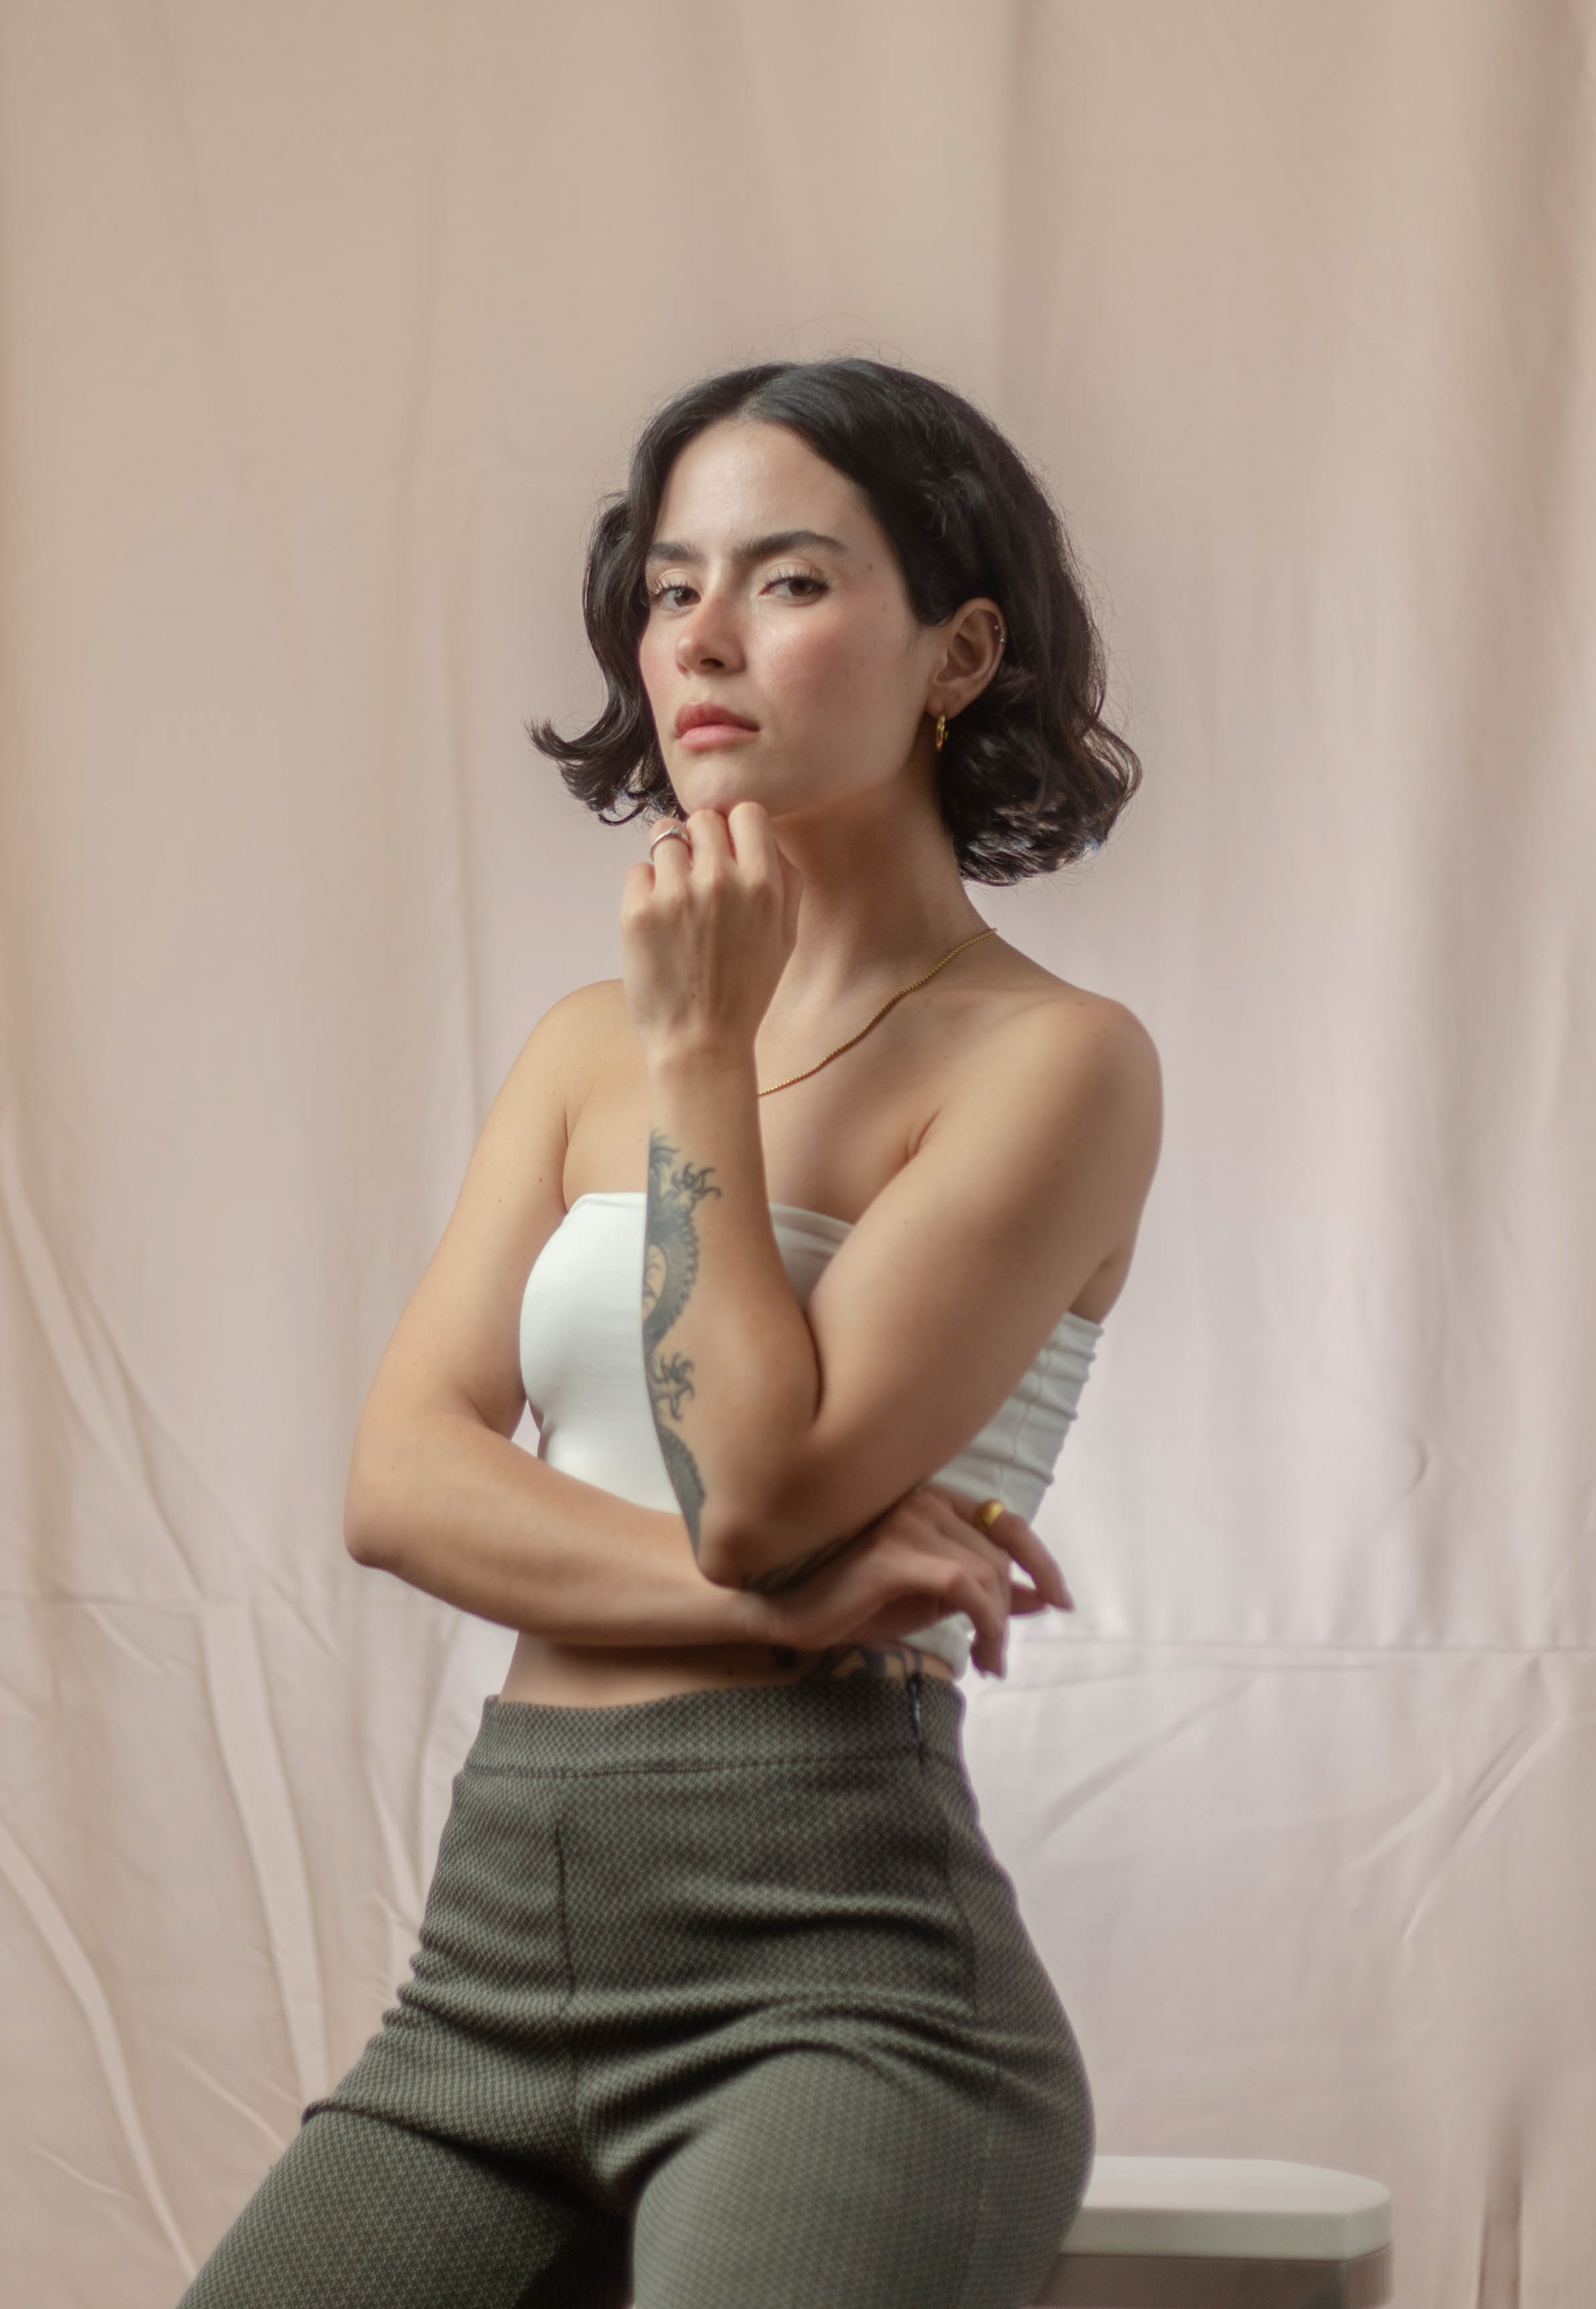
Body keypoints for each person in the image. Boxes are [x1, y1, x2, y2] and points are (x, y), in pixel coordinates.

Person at [178, 357, 1161, 2308]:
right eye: (667, 584)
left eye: (788, 581)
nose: (698, 638)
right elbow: (402, 1483)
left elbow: (758, 1489)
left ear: (960, 652)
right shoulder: (578, 1047)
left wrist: (703, 1052)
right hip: (491, 1961)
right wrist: (787, 1611)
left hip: (840, 1990)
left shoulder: (1054, 1063)